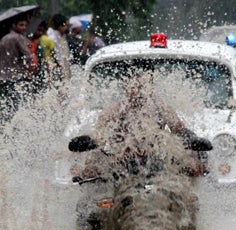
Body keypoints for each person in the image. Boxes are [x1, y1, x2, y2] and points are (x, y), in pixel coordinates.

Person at [69, 72, 212, 179]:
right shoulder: (114, 111)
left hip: (157, 161)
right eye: (134, 85)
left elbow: (179, 129)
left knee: (191, 161)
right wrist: (87, 141)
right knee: (92, 165)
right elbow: (100, 135)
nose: (138, 91)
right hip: (121, 164)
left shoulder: (161, 107)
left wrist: (192, 139)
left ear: (150, 87)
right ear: (126, 86)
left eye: (143, 85)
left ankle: (190, 205)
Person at [0, 14, 35, 124]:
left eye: (25, 25)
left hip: (2, 78)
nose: (24, 28)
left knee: (5, 106)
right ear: (13, 25)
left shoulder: (3, 39)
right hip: (16, 77)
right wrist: (30, 67)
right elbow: (28, 56)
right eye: (21, 25)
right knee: (17, 108)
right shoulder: (19, 38)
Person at [47, 14, 70, 81]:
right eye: (67, 25)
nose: (68, 28)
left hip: (62, 68)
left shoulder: (62, 36)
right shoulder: (52, 37)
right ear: (60, 26)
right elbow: (53, 53)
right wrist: (59, 65)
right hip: (56, 68)